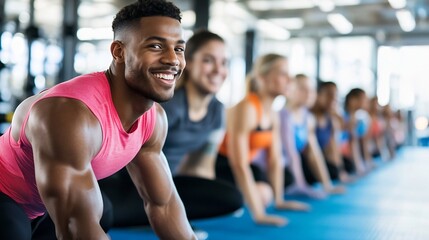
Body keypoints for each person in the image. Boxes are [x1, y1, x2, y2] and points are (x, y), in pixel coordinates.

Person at [0, 0, 197, 239]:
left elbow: (163, 206)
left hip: (41, 205)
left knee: (101, 212)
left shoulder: (153, 120)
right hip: (6, 198)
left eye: (178, 48)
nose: (172, 59)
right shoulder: (70, 114)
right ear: (119, 51)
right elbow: (75, 227)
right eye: (155, 46)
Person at [99, 30, 243, 228]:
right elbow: (131, 160)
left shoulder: (217, 111)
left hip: (166, 185)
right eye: (208, 61)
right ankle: (147, 215)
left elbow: (202, 166)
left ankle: (157, 215)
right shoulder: (169, 105)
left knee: (229, 198)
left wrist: (198, 203)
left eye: (224, 62)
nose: (218, 70)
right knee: (104, 216)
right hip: (127, 185)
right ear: (189, 63)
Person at [216, 53, 309, 227]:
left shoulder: (272, 113)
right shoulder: (248, 108)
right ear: (262, 78)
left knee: (276, 186)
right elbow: (238, 164)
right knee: (263, 194)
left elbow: (274, 161)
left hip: (249, 167)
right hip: (223, 167)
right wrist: (259, 214)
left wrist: (280, 201)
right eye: (283, 74)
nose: (290, 79)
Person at [284, 75, 345, 195]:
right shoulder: (284, 116)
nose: (309, 94)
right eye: (303, 89)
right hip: (279, 166)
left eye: (311, 90)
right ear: (290, 90)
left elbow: (314, 153)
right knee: (290, 178)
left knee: (332, 170)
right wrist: (302, 186)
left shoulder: (308, 118)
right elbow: (290, 154)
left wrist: (327, 185)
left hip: (295, 162)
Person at [310, 81, 353, 183]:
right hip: (308, 160)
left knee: (342, 168)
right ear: (318, 95)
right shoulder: (310, 117)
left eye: (335, 97)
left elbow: (333, 147)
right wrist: (327, 184)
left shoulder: (330, 119)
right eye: (329, 95)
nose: (333, 100)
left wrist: (341, 171)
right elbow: (311, 153)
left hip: (320, 158)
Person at [340, 88, 371, 175]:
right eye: (363, 99)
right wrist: (359, 166)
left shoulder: (359, 119)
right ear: (352, 100)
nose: (366, 102)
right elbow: (351, 141)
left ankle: (360, 164)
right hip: (342, 156)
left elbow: (362, 141)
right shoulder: (342, 116)